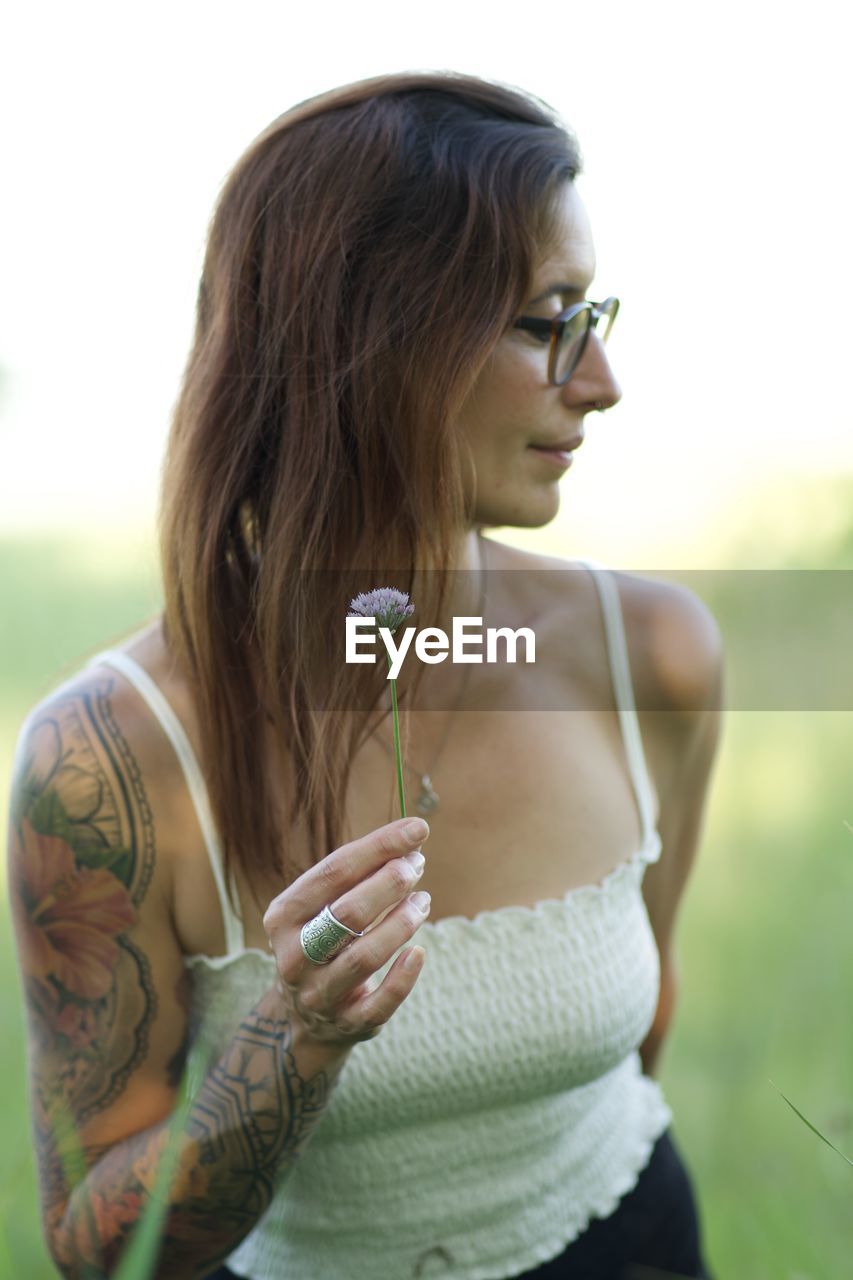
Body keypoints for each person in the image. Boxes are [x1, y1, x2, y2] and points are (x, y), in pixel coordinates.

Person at [7, 71, 724, 1279]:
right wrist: (292, 1038)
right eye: (549, 320)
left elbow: (642, 1023)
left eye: (595, 314)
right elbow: (92, 1239)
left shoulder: (651, 654)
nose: (600, 382)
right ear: (377, 340)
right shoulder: (108, 760)